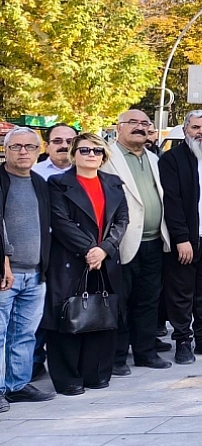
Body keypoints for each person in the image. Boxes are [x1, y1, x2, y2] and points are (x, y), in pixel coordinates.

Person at [44, 134, 129, 395]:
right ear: (73, 154)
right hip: (71, 260)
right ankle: (68, 377)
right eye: (84, 150)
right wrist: (89, 250)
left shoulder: (114, 183)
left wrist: (104, 249)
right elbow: (60, 222)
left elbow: (121, 220)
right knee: (68, 317)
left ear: (104, 156)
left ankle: (96, 373)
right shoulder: (58, 183)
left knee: (101, 315)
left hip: (105, 260)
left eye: (97, 151)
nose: (91, 155)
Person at [99, 109, 172, 376]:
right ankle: (117, 358)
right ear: (119, 127)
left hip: (154, 240)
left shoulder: (154, 159)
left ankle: (145, 353)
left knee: (148, 300)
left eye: (145, 123)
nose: (140, 127)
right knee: (120, 302)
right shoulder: (106, 158)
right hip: (121, 243)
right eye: (133, 123)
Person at [158, 111, 202, 364]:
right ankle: (183, 341)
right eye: (196, 127)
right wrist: (181, 238)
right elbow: (171, 201)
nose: (201, 132)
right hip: (187, 240)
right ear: (185, 129)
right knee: (181, 293)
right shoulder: (172, 159)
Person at [1, 128, 56, 407]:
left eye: (30, 147)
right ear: (6, 149)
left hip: (35, 274)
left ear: (39, 150)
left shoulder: (39, 182)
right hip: (5, 275)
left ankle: (17, 385)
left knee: (23, 334)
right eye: (16, 146)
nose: (23, 151)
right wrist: (5, 261)